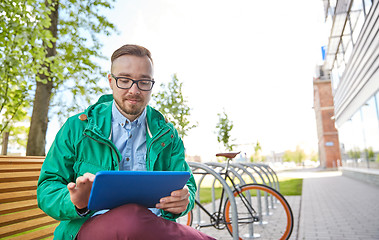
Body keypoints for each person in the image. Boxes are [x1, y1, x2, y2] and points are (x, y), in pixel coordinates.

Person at [37, 44, 214, 240]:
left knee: (136, 219)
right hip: (90, 227)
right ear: (111, 81)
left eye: (143, 82)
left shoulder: (168, 133)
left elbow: (186, 183)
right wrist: (76, 202)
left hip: (153, 230)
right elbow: (47, 189)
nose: (134, 90)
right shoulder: (77, 128)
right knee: (131, 217)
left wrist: (184, 200)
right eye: (125, 80)